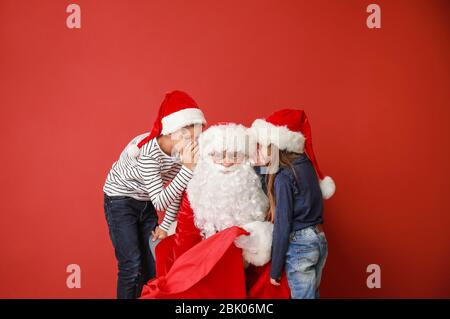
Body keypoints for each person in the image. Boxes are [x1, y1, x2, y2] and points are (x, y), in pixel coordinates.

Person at [141, 123, 290, 299]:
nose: (226, 162)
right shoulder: (196, 190)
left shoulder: (257, 187)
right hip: (204, 264)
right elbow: (186, 237)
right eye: (218, 155)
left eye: (235, 155)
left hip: (243, 265)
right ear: (207, 157)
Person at [103, 90, 206, 298]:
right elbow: (160, 202)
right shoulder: (149, 152)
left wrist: (166, 227)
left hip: (145, 200)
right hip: (120, 200)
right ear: (172, 132)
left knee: (152, 266)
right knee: (131, 265)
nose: (193, 144)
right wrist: (187, 169)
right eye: (189, 137)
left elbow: (177, 193)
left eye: (197, 138)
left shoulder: (180, 154)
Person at [249, 109, 335, 299]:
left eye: (263, 146)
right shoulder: (304, 165)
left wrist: (275, 269)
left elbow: (283, 224)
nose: (260, 151)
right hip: (319, 239)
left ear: (276, 146)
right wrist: (256, 167)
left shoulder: (284, 178)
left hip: (300, 244)